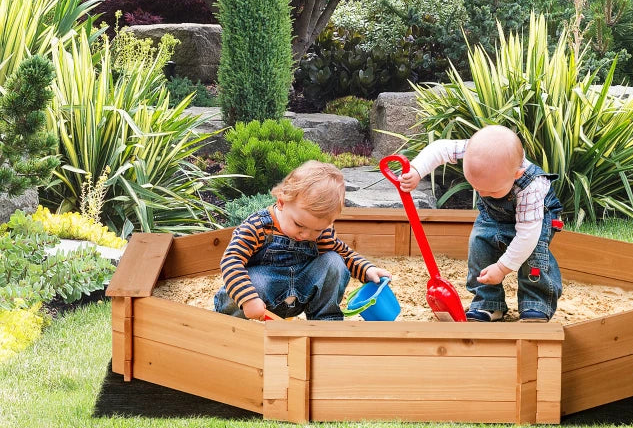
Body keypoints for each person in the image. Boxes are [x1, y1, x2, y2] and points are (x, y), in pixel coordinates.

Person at [399, 125, 562, 322]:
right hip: (493, 216)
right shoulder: (475, 150)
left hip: (536, 220)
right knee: (479, 244)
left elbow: (527, 236)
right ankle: (488, 303)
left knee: (535, 257)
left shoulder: (533, 187)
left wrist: (502, 268)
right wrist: (416, 170)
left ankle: (536, 304)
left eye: (491, 191)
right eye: (476, 188)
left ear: (516, 175)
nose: (483, 194)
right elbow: (440, 149)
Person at [214, 161, 392, 321]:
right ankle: (230, 323)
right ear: (282, 203)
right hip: (256, 303)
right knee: (252, 283)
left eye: (318, 230)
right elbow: (231, 261)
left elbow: (344, 254)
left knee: (334, 262)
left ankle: (325, 321)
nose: (306, 235)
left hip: (298, 294)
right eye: (299, 225)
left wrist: (368, 269)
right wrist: (248, 298)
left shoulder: (321, 234)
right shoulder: (258, 227)